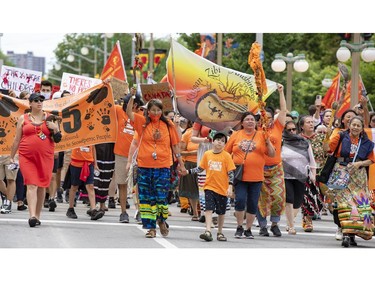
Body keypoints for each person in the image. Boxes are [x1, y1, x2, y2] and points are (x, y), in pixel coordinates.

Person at [126, 97, 187, 238]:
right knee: (146, 198)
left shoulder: (169, 125)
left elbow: (175, 146)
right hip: (144, 166)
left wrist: (181, 164)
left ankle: (161, 220)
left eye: (158, 110)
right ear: (148, 111)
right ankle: (150, 228)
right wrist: (132, 97)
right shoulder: (142, 122)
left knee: (160, 197)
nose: (155, 112)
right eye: (153, 110)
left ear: (162, 110)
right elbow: (129, 112)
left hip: (163, 166)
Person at [10, 93, 61, 227]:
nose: (39, 102)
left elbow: (58, 139)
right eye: (36, 100)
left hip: (45, 157)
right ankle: (32, 215)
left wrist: (55, 129)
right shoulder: (23, 118)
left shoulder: (50, 117)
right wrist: (12, 156)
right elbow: (16, 139)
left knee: (42, 186)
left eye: (41, 100)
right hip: (26, 156)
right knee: (32, 184)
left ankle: (37, 215)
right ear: (30, 103)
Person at [225, 112, 275, 239]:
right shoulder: (236, 135)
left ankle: (248, 229)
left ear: (256, 123)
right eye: (247, 119)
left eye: (252, 120)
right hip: (239, 175)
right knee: (240, 200)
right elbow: (226, 152)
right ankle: (239, 227)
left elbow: (272, 154)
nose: (250, 121)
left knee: (253, 203)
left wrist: (268, 142)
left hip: (256, 176)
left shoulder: (262, 135)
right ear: (242, 123)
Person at [327, 116, 375, 247]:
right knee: (344, 204)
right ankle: (346, 233)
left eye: (358, 125)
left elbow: (371, 159)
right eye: (353, 124)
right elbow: (328, 148)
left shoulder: (366, 142)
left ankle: (354, 233)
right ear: (349, 125)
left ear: (361, 128)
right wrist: (327, 132)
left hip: (358, 177)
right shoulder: (341, 136)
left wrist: (359, 163)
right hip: (341, 172)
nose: (355, 127)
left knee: (359, 205)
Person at [181, 131, 236, 242]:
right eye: (218, 140)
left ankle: (220, 232)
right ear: (213, 141)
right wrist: (188, 171)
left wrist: (230, 187)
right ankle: (208, 230)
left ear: (225, 144)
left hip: (222, 188)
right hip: (209, 187)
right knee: (208, 208)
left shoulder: (227, 156)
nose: (219, 143)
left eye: (222, 141)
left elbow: (231, 173)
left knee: (221, 211)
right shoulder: (207, 154)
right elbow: (200, 168)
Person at [256, 84, 287, 237]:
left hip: (276, 168)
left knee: (279, 197)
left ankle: (275, 224)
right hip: (259, 168)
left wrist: (281, 93)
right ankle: (262, 226)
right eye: (264, 118)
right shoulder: (256, 130)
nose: (266, 120)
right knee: (260, 199)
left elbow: (283, 110)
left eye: (269, 118)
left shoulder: (278, 126)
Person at [113, 93, 144, 223]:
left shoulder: (142, 116)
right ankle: (123, 212)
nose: (123, 105)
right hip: (120, 154)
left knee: (139, 185)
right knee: (122, 184)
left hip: (139, 155)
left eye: (127, 103)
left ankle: (139, 211)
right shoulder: (119, 111)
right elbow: (106, 101)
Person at [282, 121, 316, 234]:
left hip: (301, 175)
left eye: (293, 129)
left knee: (297, 202)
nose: (292, 132)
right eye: (289, 130)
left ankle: (289, 222)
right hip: (286, 175)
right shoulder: (282, 142)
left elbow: (312, 160)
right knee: (289, 199)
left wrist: (313, 175)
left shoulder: (304, 142)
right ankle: (291, 226)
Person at [65, 145, 104, 220]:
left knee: (90, 186)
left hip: (89, 163)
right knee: (74, 186)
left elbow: (93, 148)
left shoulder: (91, 134)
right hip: (76, 162)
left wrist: (95, 163)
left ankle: (93, 210)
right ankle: (70, 208)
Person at [179, 120, 200, 220]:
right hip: (191, 164)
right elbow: (180, 151)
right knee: (192, 190)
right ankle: (195, 212)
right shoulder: (188, 133)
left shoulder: (210, 132)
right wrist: (192, 153)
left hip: (207, 163)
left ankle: (205, 212)